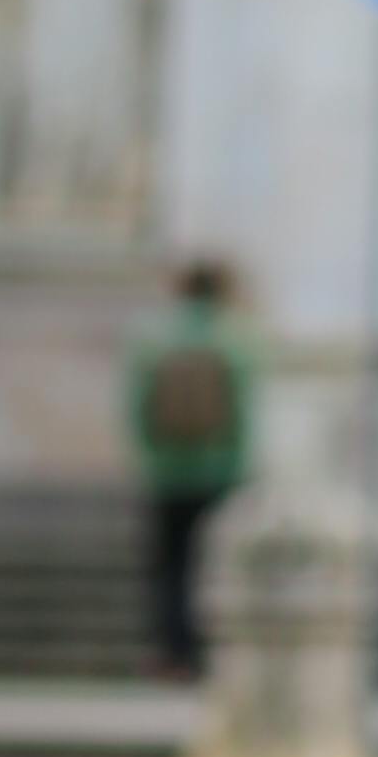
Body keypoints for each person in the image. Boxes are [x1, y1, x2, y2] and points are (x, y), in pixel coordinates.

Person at [123, 257, 258, 674]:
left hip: (167, 473)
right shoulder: (235, 338)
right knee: (216, 566)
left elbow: (137, 406)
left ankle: (172, 651)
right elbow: (244, 411)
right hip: (220, 471)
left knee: (170, 565)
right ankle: (211, 650)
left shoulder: (155, 337)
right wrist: (240, 465)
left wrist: (148, 456)